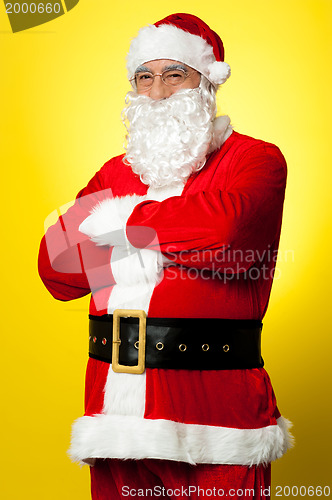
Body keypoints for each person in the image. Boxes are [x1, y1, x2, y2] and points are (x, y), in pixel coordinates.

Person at [38, 13, 293, 500]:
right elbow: (57, 266)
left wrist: (116, 225)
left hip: (215, 414)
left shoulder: (255, 160)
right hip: (114, 414)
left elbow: (225, 232)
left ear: (206, 83)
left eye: (174, 74)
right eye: (144, 77)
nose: (156, 92)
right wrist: (169, 237)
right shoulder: (115, 170)